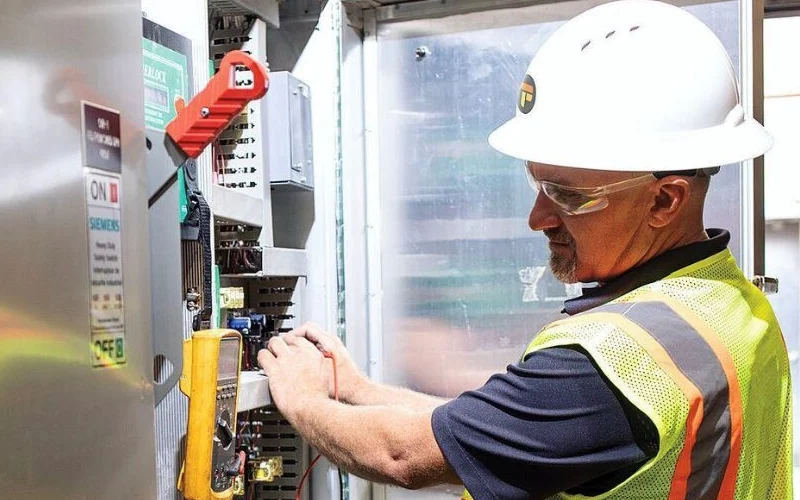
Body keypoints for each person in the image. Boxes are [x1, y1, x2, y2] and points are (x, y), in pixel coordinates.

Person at [258, 0, 793, 498]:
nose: (537, 218)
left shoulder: (615, 362)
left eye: (569, 195)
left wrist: (302, 400)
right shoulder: (731, 306)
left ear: (664, 200)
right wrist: (355, 389)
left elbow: (400, 453)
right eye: (539, 185)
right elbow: (497, 429)